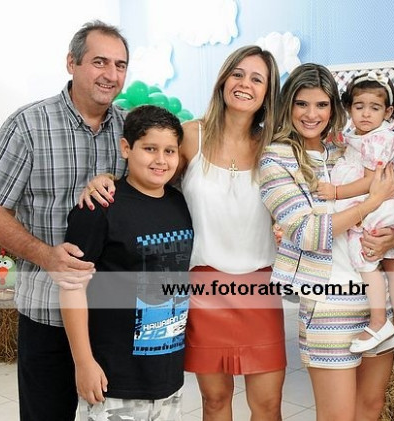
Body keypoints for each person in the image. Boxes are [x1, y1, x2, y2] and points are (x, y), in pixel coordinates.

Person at [79, 45, 285, 421]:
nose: (245, 84)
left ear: (268, 92)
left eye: (257, 79)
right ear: (223, 79)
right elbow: (147, 176)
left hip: (260, 286)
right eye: (238, 74)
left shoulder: (274, 146)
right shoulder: (191, 136)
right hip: (203, 287)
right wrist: (104, 179)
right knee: (215, 400)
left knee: (268, 405)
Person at [0, 20, 129, 421]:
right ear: (71, 63)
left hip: (112, 319)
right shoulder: (27, 125)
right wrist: (47, 256)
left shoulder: (130, 131)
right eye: (99, 62)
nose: (111, 74)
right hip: (47, 315)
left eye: (120, 65)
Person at [259, 63, 394, 421]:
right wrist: (370, 200)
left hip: (376, 299)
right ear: (288, 105)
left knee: (370, 407)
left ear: (334, 108)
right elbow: (307, 232)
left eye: (321, 105)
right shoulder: (276, 159)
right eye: (302, 104)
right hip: (327, 301)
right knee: (337, 415)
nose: (312, 114)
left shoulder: (345, 151)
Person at [61, 105, 192, 421]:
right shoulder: (99, 207)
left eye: (169, 151)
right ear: (126, 148)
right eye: (149, 148)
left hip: (167, 376)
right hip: (113, 378)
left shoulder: (180, 202)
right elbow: (71, 288)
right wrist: (84, 362)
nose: (161, 160)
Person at [316, 71, 394, 354]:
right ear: (349, 108)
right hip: (388, 202)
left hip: (375, 203)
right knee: (392, 263)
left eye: (374, 108)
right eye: (359, 106)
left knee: (364, 259)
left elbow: (372, 182)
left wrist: (336, 192)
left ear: (388, 112)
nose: (365, 114)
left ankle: (378, 322)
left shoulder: (378, 139)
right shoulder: (366, 136)